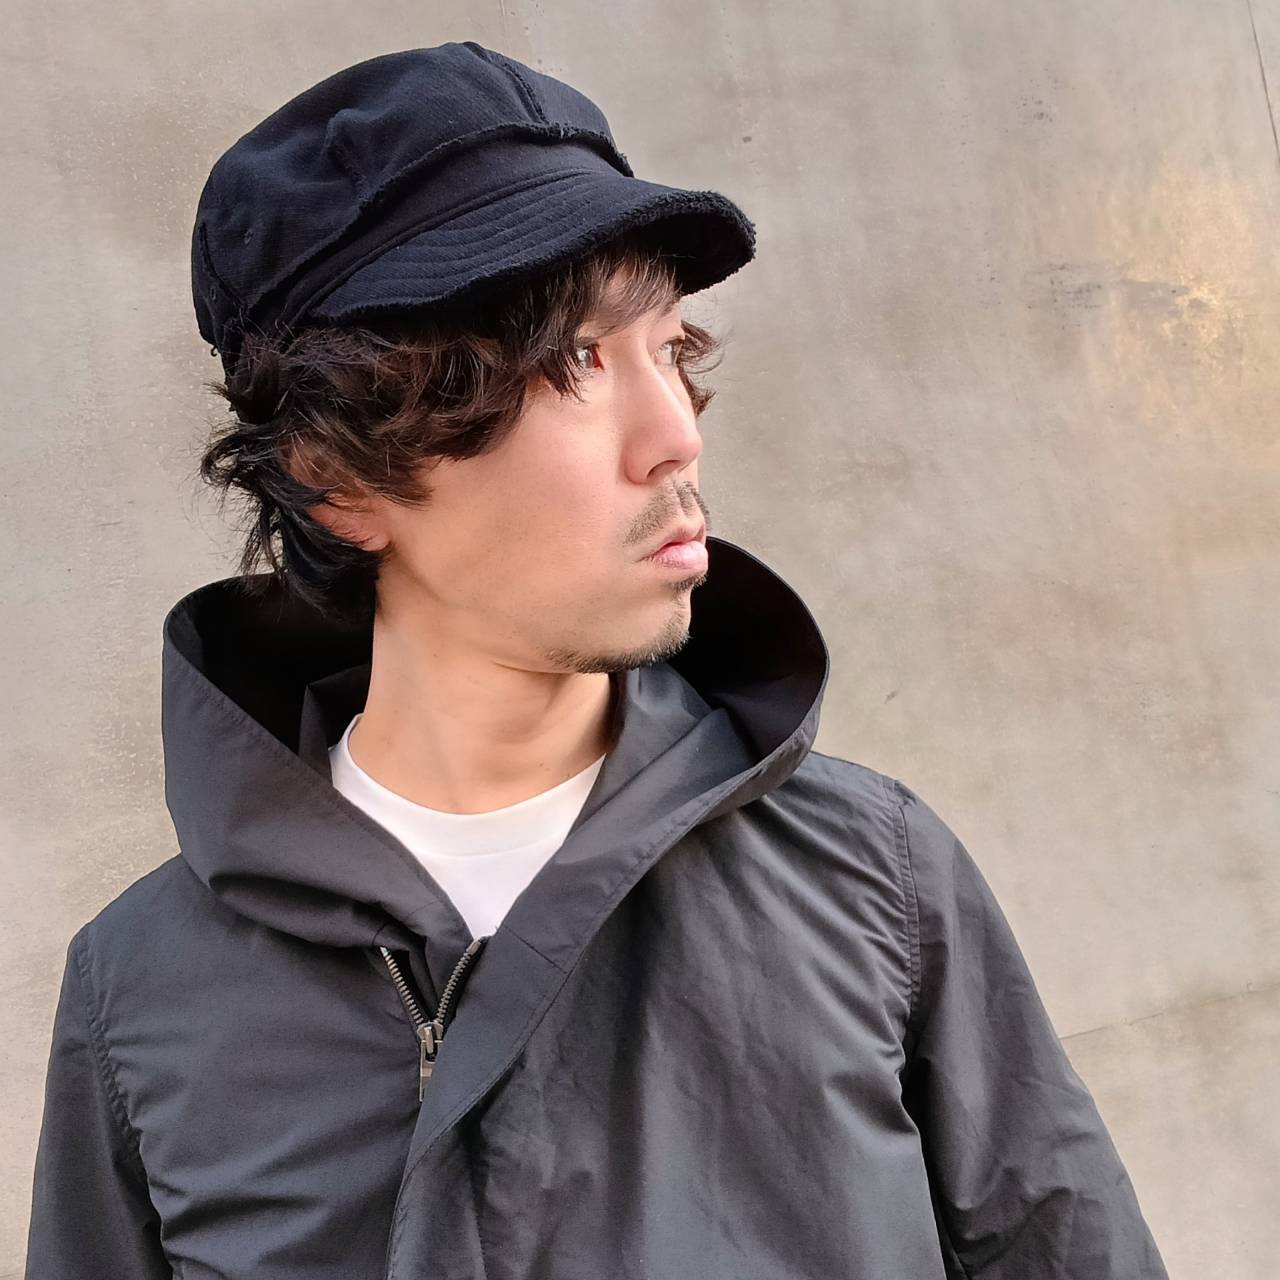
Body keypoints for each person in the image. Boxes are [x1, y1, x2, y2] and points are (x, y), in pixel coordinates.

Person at [24, 40, 1170, 1280]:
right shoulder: (143, 991)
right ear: (339, 475)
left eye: (669, 349)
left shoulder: (871, 875)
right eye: (572, 361)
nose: (673, 435)